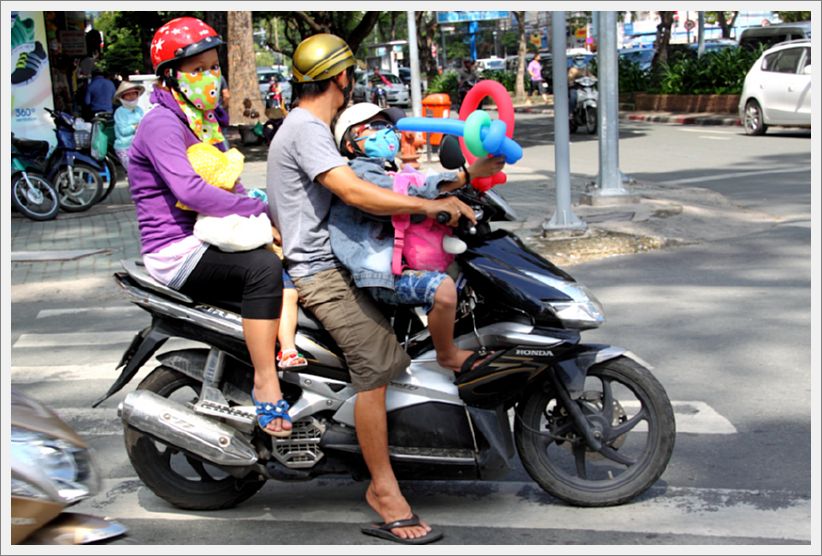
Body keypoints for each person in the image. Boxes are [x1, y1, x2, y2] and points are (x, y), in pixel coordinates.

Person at [267, 33, 481, 544]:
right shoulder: (308, 129)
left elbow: (388, 183)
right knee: (377, 363)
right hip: (317, 270)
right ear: (342, 77)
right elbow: (354, 190)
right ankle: (383, 490)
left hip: (334, 262)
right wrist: (427, 208)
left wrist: (456, 184)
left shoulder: (305, 126)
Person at [127, 16, 291, 438]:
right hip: (177, 250)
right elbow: (193, 192)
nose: (209, 78)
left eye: (213, 67)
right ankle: (264, 380)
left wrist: (272, 214)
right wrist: (251, 208)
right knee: (264, 271)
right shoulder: (162, 124)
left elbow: (228, 182)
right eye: (197, 70)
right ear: (170, 76)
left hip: (210, 235)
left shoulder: (202, 120)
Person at [331, 102, 504, 373]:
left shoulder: (386, 168)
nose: (385, 132)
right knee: (442, 289)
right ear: (351, 143)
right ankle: (447, 355)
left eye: (387, 127)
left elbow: (414, 186)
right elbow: (408, 194)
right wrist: (466, 175)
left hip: (395, 262)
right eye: (374, 127)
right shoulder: (359, 173)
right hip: (377, 273)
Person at [112, 81, 145, 172]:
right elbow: (123, 131)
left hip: (139, 145)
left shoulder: (139, 110)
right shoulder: (119, 112)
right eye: (128, 94)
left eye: (134, 94)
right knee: (133, 172)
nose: (131, 96)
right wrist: (136, 126)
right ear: (122, 97)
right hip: (124, 147)